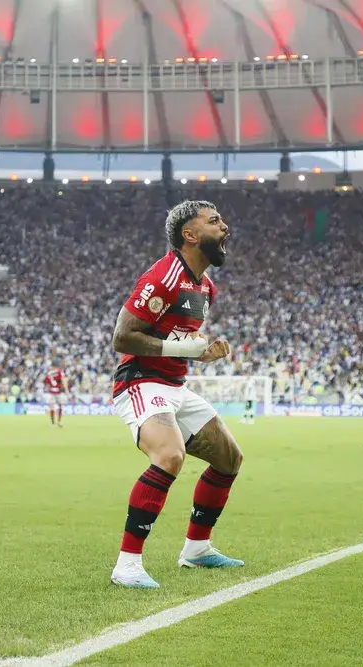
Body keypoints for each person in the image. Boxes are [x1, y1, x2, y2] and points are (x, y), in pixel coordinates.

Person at [108, 200, 244, 589]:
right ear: (190, 234)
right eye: (214, 221)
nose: (225, 226)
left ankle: (197, 550)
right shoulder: (164, 275)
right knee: (169, 456)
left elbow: (178, 343)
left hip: (175, 386)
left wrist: (203, 352)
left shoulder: (205, 286)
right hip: (140, 382)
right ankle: (127, 565)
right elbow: (123, 338)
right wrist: (187, 350)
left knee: (229, 458)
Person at [43, 362, 67, 427]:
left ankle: (53, 423)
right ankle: (59, 422)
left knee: (52, 407)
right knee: (60, 406)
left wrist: (48, 389)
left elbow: (47, 383)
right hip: (58, 392)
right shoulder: (60, 372)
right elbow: (63, 380)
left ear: (53, 366)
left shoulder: (49, 373)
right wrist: (66, 389)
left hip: (52, 392)